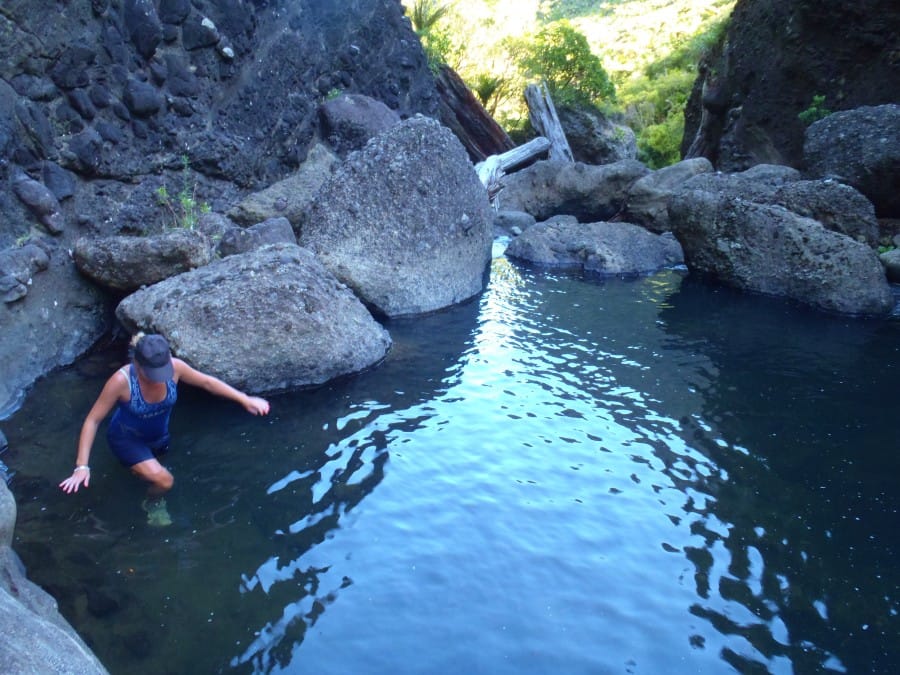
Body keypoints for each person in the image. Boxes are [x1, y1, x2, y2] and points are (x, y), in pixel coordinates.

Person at [59, 333, 270, 525]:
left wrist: (244, 399)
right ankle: (151, 504)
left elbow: (207, 383)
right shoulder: (121, 381)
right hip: (127, 438)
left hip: (159, 437)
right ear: (137, 363)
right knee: (164, 480)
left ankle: (138, 475)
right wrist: (82, 466)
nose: (160, 378)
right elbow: (92, 420)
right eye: (153, 373)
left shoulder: (176, 367)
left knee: (151, 474)